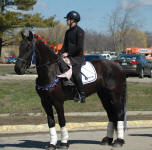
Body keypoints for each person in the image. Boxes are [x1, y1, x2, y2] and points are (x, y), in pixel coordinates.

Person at [57, 10, 85, 103]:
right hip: (68, 56)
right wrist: (59, 53)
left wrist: (68, 54)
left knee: (76, 74)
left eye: (67, 19)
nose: (66, 21)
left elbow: (79, 47)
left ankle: (82, 94)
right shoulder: (68, 32)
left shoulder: (80, 31)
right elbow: (64, 45)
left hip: (77, 57)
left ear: (73, 20)